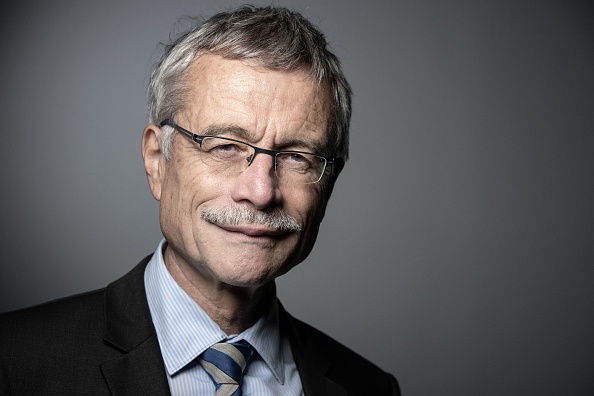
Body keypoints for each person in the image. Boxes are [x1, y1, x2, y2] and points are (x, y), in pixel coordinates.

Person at [0, 5, 399, 395]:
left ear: (329, 182)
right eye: (224, 146)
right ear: (157, 161)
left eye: (297, 157)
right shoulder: (15, 363)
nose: (260, 192)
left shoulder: (368, 387)